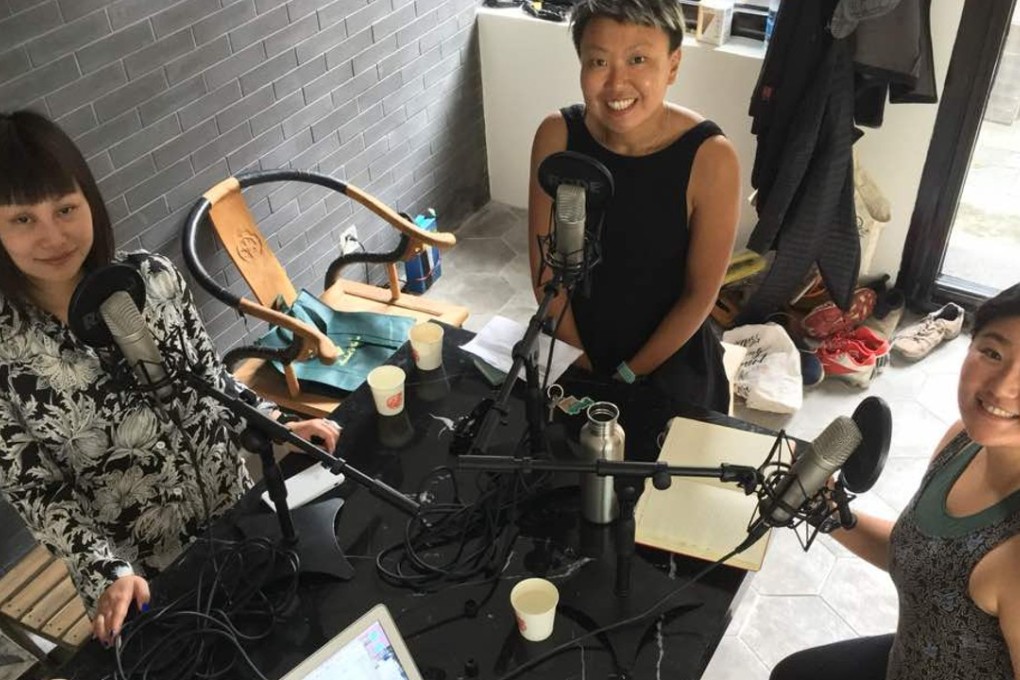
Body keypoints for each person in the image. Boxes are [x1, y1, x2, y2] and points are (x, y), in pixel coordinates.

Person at [0, 111, 342, 646]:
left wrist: (272, 421)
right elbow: (35, 490)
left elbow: (211, 381)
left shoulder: (152, 279)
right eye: (22, 219)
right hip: (137, 581)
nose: (53, 236)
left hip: (240, 521)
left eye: (65, 209)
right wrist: (104, 570)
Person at [772, 284, 1020, 679]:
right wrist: (825, 509)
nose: (1003, 387)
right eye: (993, 352)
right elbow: (923, 557)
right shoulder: (963, 440)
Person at [527, 0, 741, 414]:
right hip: (574, 341)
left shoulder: (710, 158)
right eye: (598, 61)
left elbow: (701, 293)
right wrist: (582, 362)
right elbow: (546, 271)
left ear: (673, 65)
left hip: (670, 353)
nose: (617, 83)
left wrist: (628, 373)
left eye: (638, 59)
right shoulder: (557, 136)